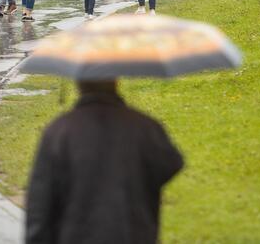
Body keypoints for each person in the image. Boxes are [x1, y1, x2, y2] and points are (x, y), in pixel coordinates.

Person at [25, 79, 183, 244]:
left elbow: (40, 206)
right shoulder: (145, 126)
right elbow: (171, 164)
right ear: (115, 82)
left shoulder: (59, 131)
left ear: (78, 84)